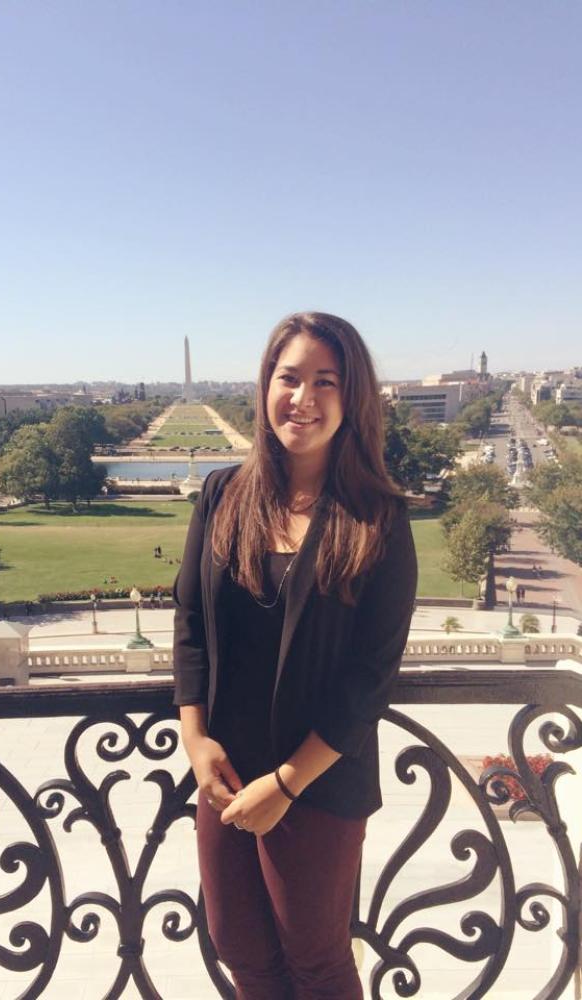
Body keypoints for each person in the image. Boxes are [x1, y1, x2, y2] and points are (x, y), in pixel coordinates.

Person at [173, 312, 417, 999]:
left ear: (352, 398)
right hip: (224, 773)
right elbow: (190, 621)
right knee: (241, 951)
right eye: (289, 378)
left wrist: (284, 784)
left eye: (325, 381)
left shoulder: (379, 517)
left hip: (317, 778)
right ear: (265, 386)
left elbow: (371, 677)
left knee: (316, 959)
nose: (302, 398)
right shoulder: (223, 494)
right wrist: (195, 740)